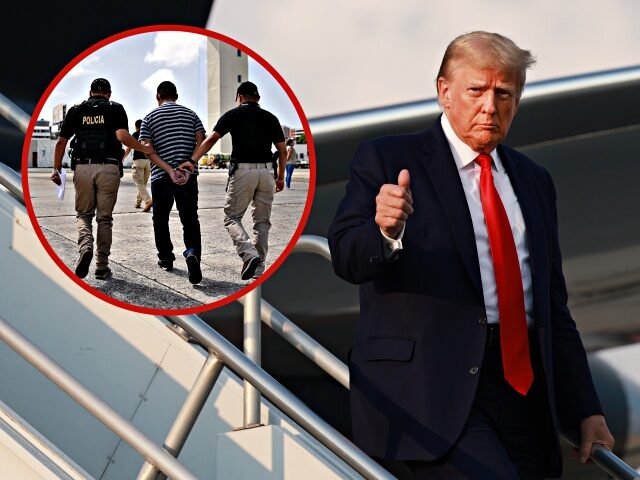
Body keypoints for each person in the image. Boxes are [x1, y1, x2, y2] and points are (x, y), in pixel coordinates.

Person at [328, 32, 614, 480]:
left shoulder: (533, 180)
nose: (490, 105)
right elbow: (346, 257)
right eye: (476, 90)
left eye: (504, 93)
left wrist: (587, 409)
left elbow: (553, 309)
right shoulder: (387, 158)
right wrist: (383, 231)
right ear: (444, 91)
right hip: (430, 389)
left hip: (523, 388)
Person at [51, 78, 160, 280]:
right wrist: (144, 148)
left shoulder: (76, 110)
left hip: (83, 167)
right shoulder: (115, 108)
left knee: (83, 214)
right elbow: (122, 136)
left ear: (90, 92)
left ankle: (85, 246)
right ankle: (102, 266)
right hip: (109, 167)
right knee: (104, 218)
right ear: (108, 93)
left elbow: (61, 143)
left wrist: (56, 169)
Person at [190, 81, 287, 281]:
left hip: (243, 171)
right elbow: (283, 151)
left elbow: (211, 140)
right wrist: (280, 177)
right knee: (262, 221)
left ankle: (249, 255)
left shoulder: (233, 115)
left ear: (239, 97)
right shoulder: (270, 117)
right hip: (267, 172)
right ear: (258, 98)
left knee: (232, 217)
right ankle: (258, 267)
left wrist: (192, 160)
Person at [139, 81, 206, 285]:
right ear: (176, 96)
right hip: (187, 176)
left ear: (158, 97)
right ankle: (192, 252)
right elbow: (201, 140)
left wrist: (168, 169)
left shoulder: (149, 118)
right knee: (190, 218)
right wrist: (188, 165)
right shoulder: (191, 114)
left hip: (161, 176)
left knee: (160, 219)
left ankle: (166, 258)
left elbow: (146, 149)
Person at [123, 119, 152, 212]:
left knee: (139, 182)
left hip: (138, 162)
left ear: (137, 127)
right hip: (148, 162)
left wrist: (123, 157)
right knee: (142, 184)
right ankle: (138, 202)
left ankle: (148, 200)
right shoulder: (149, 135)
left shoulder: (135, 134)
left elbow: (128, 148)